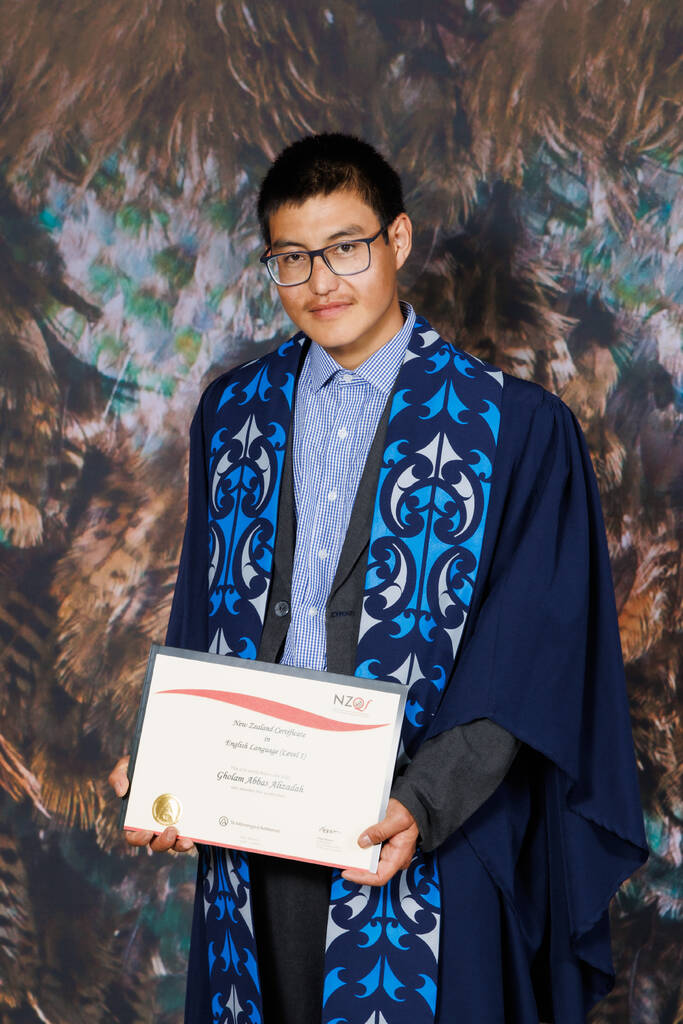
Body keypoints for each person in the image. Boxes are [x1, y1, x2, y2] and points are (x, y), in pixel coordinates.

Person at [110, 133, 648, 1024]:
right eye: (291, 257)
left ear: (396, 240)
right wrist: (168, 761)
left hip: (420, 833)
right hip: (255, 837)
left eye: (345, 248)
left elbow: (528, 654)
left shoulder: (514, 429)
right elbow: (201, 613)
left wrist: (423, 801)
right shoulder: (232, 414)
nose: (321, 282)